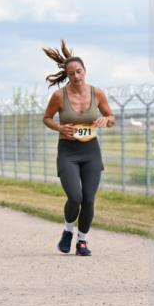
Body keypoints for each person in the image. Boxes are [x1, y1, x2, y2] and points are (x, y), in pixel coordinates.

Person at [41, 40, 116, 256]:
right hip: (68, 152)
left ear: (85, 71)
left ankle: (82, 241)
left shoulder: (97, 93)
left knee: (89, 199)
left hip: (91, 151)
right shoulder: (58, 96)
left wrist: (105, 120)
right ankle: (67, 230)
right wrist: (59, 127)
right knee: (75, 197)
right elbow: (46, 118)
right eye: (72, 73)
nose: (76, 76)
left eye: (79, 71)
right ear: (67, 75)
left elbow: (111, 118)